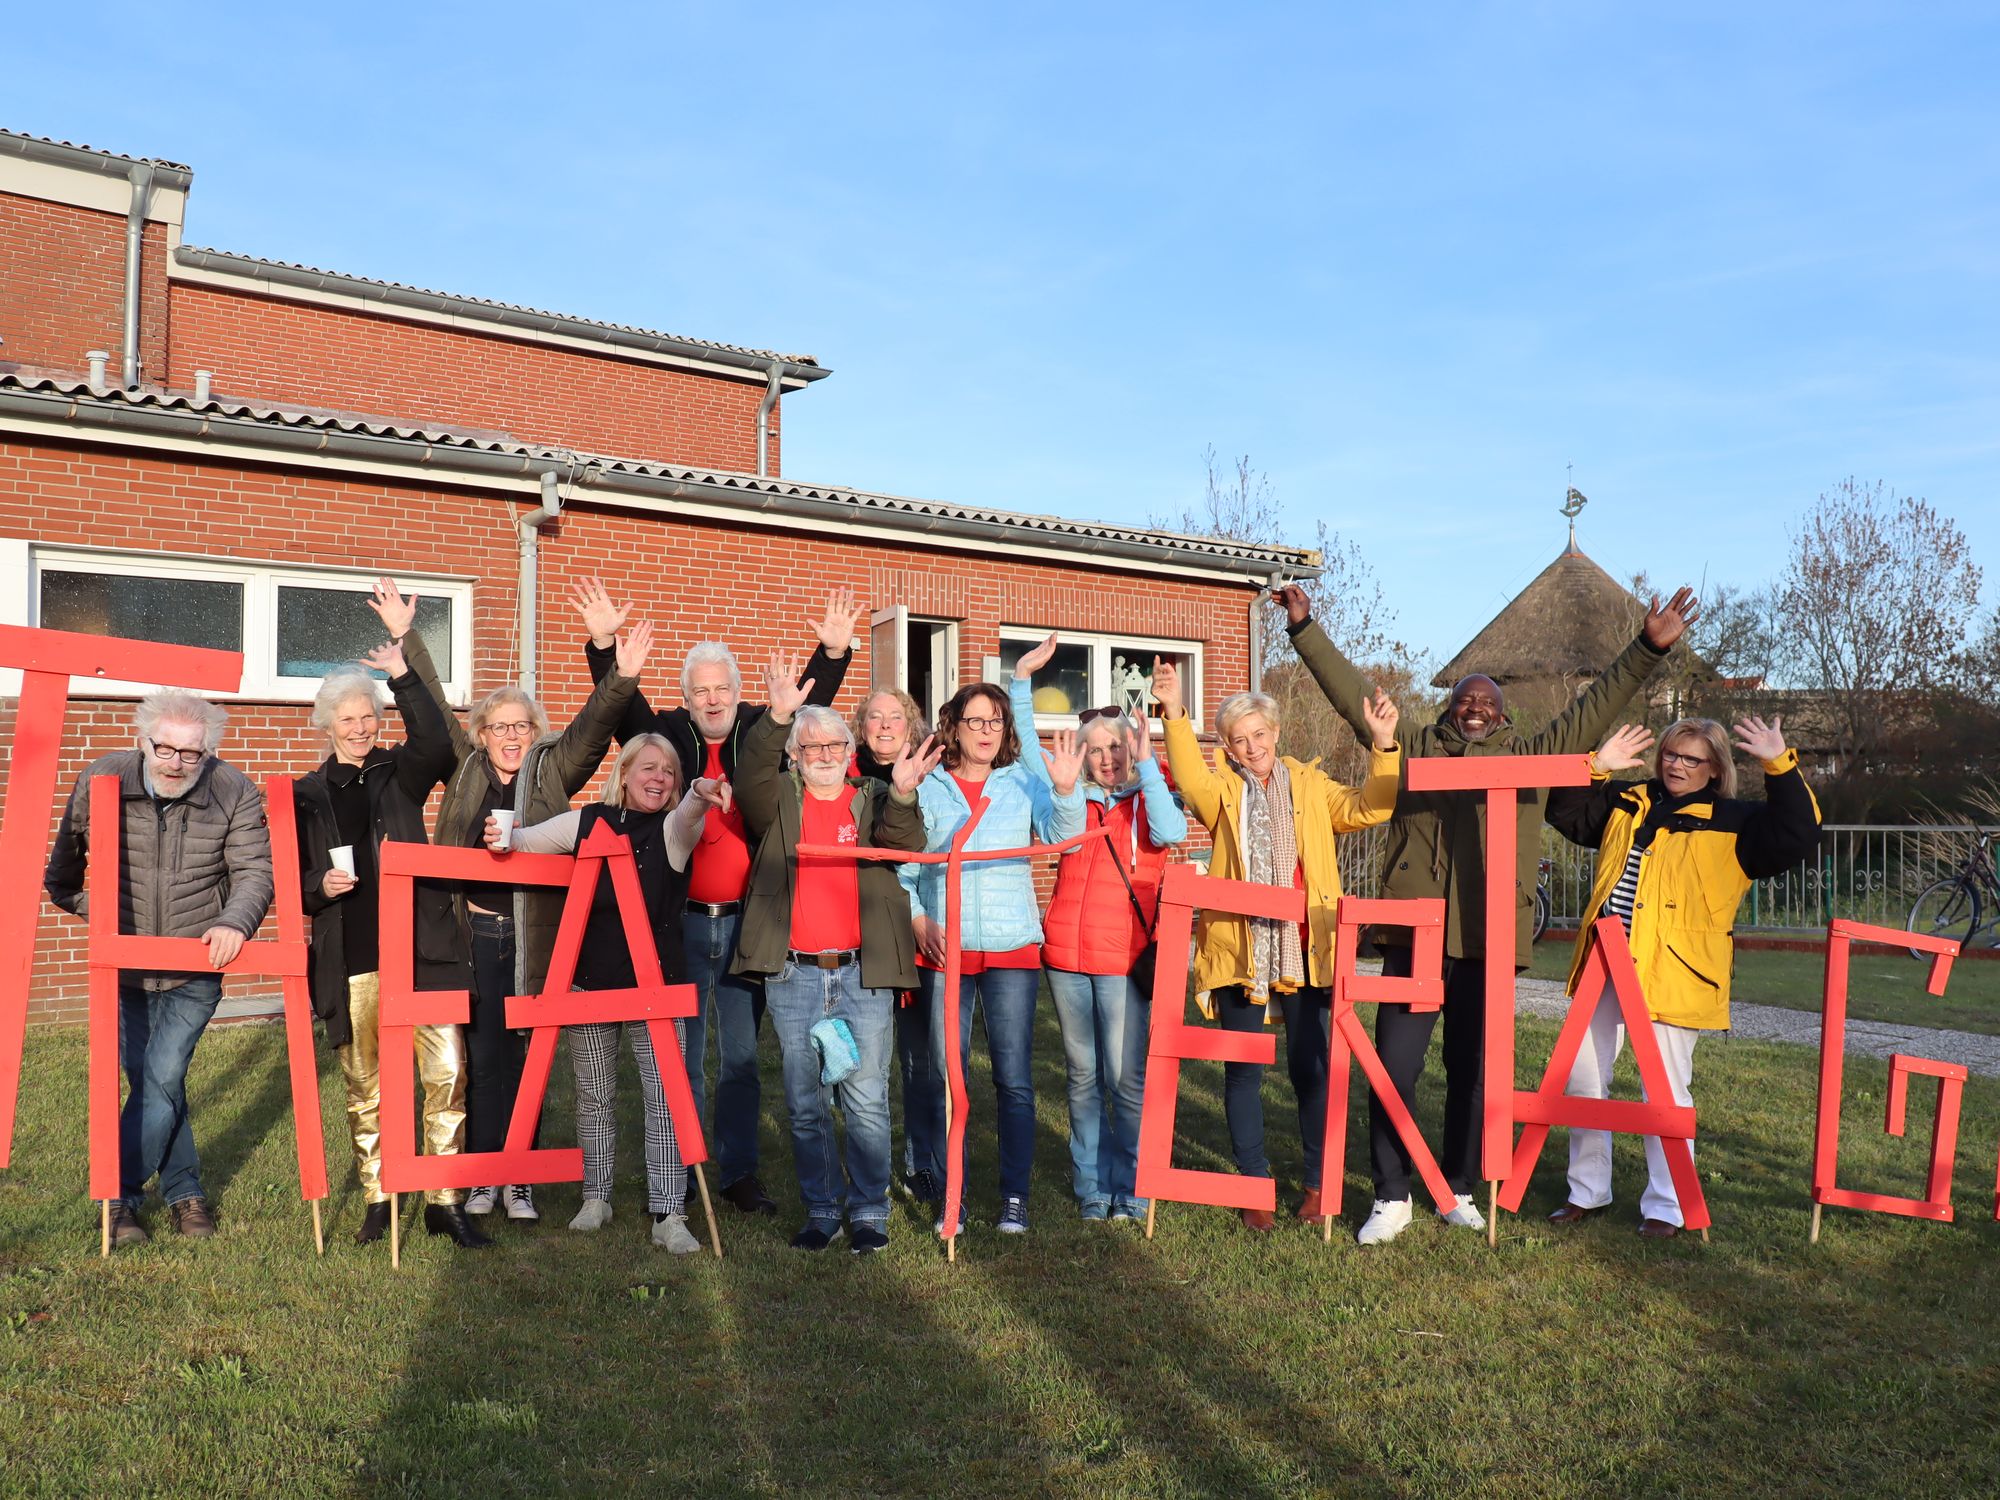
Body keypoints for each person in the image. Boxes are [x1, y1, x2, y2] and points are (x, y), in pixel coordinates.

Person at [1277, 581, 1699, 1246]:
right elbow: (1356, 699)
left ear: (1503, 717)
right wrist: (1305, 629)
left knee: (1473, 1071)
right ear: (1448, 708)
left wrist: (1647, 647)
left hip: (1487, 938)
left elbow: (1595, 706)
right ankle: (1390, 1195)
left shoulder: (1532, 757)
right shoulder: (1412, 746)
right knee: (1394, 1068)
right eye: (1465, 699)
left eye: (1488, 701)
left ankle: (1460, 1188)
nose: (1475, 706)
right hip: (1414, 935)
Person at [571, 578, 862, 1217]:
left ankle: (737, 1172)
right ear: (686, 699)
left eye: (722, 688)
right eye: (700, 690)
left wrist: (833, 654)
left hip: (742, 927)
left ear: (737, 692)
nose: (712, 699)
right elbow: (621, 705)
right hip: (678, 925)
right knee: (681, 1056)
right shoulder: (668, 736)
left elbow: (804, 710)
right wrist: (604, 647)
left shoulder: (758, 728)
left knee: (738, 1059)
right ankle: (677, 1172)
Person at [380, 581, 649, 1225]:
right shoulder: (465, 768)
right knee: (483, 1058)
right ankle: (482, 1177)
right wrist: (406, 638)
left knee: (528, 1059)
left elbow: (593, 728)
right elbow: (432, 710)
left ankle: (520, 1181)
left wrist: (619, 672)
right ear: (482, 733)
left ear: (534, 733)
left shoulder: (552, 770)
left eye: (521, 726)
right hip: (474, 936)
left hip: (534, 938)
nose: (510, 735)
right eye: (499, 726)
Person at [1544, 716, 1821, 1237]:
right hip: (1605, 961)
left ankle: (1666, 1206)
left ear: (1714, 768)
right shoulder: (1629, 801)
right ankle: (1586, 1192)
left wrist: (1779, 766)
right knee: (1582, 1078)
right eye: (1671, 754)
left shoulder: (1737, 821)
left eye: (1692, 759)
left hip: (1674, 969)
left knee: (1665, 1091)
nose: (1676, 765)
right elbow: (1566, 813)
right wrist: (1597, 768)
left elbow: (1800, 833)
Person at [1153, 658, 1400, 1232]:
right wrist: (1175, 714)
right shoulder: (1222, 792)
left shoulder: (1311, 786)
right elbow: (1189, 778)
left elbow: (1372, 806)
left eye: (1259, 734)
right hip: (1241, 949)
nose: (1252, 746)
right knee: (1242, 1070)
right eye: (1240, 740)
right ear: (1229, 748)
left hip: (1307, 947)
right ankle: (1253, 1185)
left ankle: (1316, 1183)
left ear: (1276, 733)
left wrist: (1384, 746)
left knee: (1311, 1069)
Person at [45, 691, 274, 1249]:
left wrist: (235, 923)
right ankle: (185, 1191)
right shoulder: (102, 779)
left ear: (207, 752)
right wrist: (97, 911)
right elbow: (62, 877)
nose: (175, 763)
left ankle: (118, 1197)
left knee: (163, 1077)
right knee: (156, 1084)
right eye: (164, 749)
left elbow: (254, 871)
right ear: (141, 741)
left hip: (195, 965)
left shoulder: (233, 790)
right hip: (123, 968)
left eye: (191, 753)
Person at [733, 655, 940, 1252]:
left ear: (849, 751)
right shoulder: (779, 800)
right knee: (805, 1103)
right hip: (795, 974)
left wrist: (903, 794)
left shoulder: (872, 796)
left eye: (833, 745)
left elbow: (904, 843)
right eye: (811, 746)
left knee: (867, 1099)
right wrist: (776, 717)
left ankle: (869, 1212)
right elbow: (748, 780)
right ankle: (822, 1209)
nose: (823, 754)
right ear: (794, 756)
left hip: (862, 973)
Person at [294, 609, 484, 1248]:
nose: (359, 728)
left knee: (448, 1073)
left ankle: (444, 1199)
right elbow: (290, 880)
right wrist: (318, 887)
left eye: (367, 717)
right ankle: (379, 1197)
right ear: (326, 726)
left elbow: (437, 742)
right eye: (347, 719)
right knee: (365, 1086)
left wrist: (403, 674)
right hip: (351, 957)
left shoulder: (399, 772)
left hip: (422, 950)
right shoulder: (305, 796)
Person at [500, 735, 730, 1254]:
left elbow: (691, 812)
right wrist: (501, 834)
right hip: (591, 980)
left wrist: (699, 789)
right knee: (594, 1094)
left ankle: (668, 1211)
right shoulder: (589, 821)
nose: (659, 778)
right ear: (624, 773)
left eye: (668, 771)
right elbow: (527, 841)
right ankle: (595, 1197)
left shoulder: (672, 830)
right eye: (648, 768)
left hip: (657, 985)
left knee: (664, 1097)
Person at [1010, 634, 1188, 1223]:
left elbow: (1171, 834)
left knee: (1124, 1080)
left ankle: (1132, 1189)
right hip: (1066, 958)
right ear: (1082, 755)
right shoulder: (1069, 799)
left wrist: (1148, 764)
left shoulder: (1149, 798)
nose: (1107, 758)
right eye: (1096, 750)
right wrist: (1021, 683)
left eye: (1117, 747)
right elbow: (1032, 754)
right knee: (1082, 1078)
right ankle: (1091, 1187)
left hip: (1123, 961)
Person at [902, 682, 1085, 1235]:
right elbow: (903, 867)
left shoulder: (1022, 781)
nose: (986, 732)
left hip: (1010, 947)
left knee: (1013, 1078)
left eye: (996, 722)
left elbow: (1067, 838)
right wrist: (917, 918)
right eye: (976, 721)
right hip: (945, 947)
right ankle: (949, 1194)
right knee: (945, 1076)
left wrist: (1066, 791)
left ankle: (1014, 1198)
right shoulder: (928, 786)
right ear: (954, 727)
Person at [848, 686, 946, 1204]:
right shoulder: (844, 775)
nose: (885, 726)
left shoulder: (932, 776)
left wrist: (920, 916)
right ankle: (860, 1160)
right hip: (861, 932)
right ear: (861, 727)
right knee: (856, 1058)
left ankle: (919, 1162)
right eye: (875, 717)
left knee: (918, 1057)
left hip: (917, 934)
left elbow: (928, 851)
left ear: (911, 727)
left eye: (895, 717)